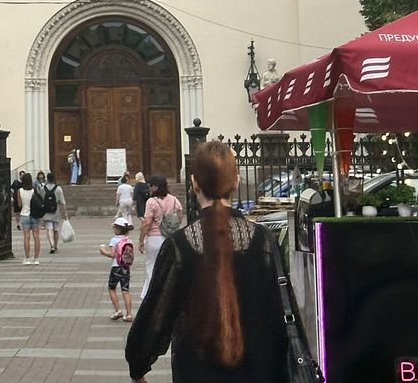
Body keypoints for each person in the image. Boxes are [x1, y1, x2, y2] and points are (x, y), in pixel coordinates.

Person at [125, 141, 290, 382]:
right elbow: (278, 314)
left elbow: (155, 316)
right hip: (258, 370)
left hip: (196, 371)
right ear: (237, 181)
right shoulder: (263, 241)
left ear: (193, 183)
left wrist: (138, 367)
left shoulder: (179, 246)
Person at [138, 174, 183, 299]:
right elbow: (179, 214)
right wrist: (173, 226)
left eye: (151, 186)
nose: (150, 188)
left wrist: (141, 240)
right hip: (170, 237)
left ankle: (150, 294)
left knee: (151, 265)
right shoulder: (174, 199)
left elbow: (147, 222)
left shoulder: (151, 202)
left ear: (156, 187)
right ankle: (167, 292)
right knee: (167, 266)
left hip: (154, 237)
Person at [100, 216, 134, 323]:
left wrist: (102, 250)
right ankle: (129, 314)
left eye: (114, 227)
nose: (113, 229)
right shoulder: (129, 240)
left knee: (112, 288)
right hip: (126, 267)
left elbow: (112, 254)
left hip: (116, 267)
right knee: (125, 290)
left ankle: (118, 310)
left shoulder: (114, 240)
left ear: (118, 229)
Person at [17, 170, 42, 265]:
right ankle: (36, 258)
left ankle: (27, 258)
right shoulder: (34, 190)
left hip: (24, 214)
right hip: (34, 215)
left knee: (26, 237)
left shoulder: (20, 191)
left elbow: (19, 205)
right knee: (36, 237)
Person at [42, 172, 68, 254]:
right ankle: (55, 245)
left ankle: (51, 245)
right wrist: (65, 214)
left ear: (47, 179)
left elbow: (40, 200)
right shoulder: (58, 189)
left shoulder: (43, 189)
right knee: (56, 230)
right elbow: (63, 202)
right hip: (55, 211)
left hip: (46, 212)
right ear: (54, 179)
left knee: (49, 229)